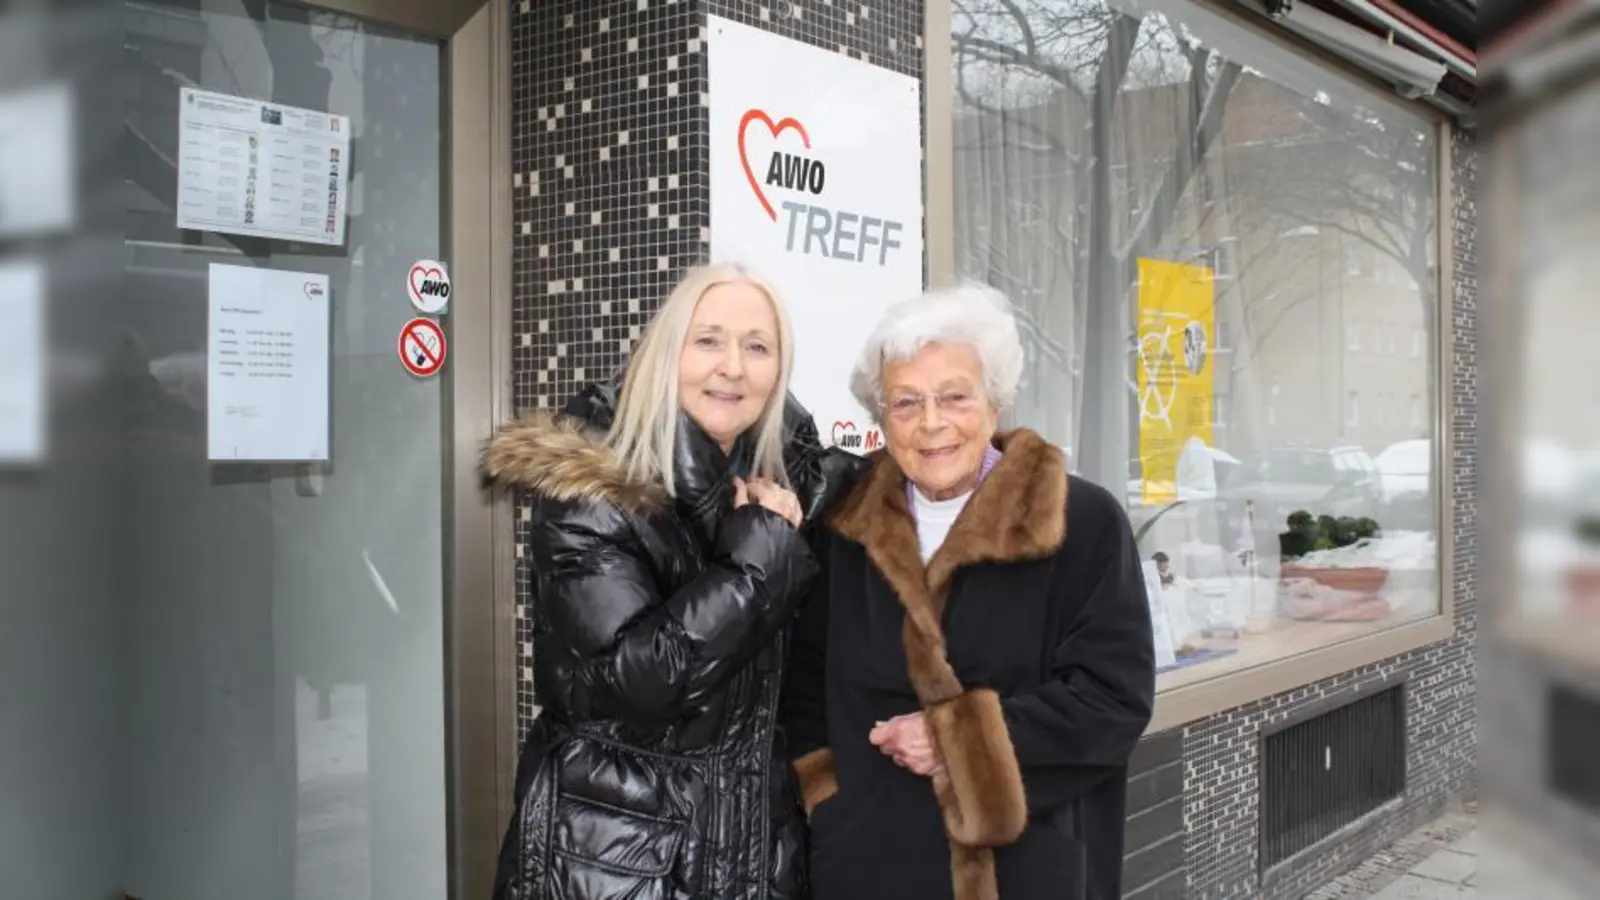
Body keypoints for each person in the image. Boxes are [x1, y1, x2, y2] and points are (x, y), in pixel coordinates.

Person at [484, 264, 867, 899]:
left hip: (753, 850)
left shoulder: (785, 479)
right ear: (667, 353)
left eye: (757, 347)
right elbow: (640, 679)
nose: (733, 367)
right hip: (617, 862)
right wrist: (758, 560)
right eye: (709, 340)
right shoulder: (593, 485)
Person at [783, 285, 1156, 900]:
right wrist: (827, 801)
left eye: (954, 396)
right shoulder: (845, 527)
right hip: (870, 867)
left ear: (995, 400)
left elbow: (1112, 699)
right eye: (906, 403)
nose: (932, 424)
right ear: (882, 416)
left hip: (1031, 869)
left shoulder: (1078, 521)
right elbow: (805, 685)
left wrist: (958, 741)